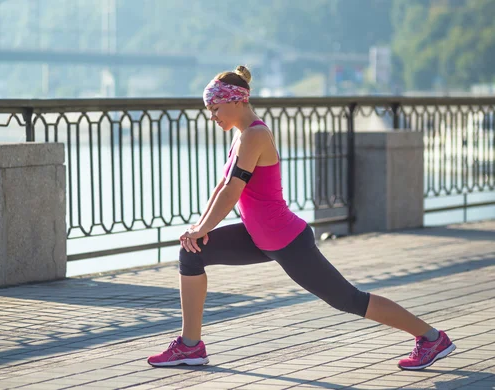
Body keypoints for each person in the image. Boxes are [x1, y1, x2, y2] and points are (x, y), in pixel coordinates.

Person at [147, 65, 455, 370]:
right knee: (191, 254)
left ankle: (431, 338)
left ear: (237, 100)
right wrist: (198, 229)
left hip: (286, 240)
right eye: (209, 110)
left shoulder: (255, 135)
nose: (213, 116)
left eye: (215, 108)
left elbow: (232, 192)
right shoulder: (240, 134)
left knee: (348, 300)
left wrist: (202, 227)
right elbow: (222, 187)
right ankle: (190, 346)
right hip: (258, 237)